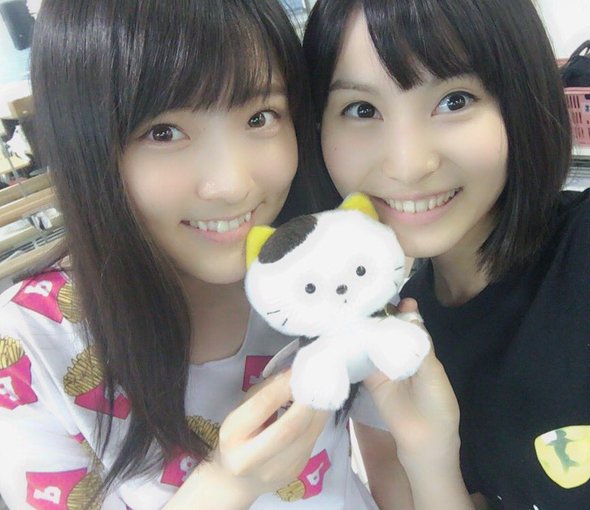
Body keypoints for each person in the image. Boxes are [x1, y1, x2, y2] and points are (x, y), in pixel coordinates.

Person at [0, 1, 383, 508]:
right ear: (84, 146)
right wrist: (226, 486)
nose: (232, 184)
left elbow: (388, 464)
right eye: (164, 132)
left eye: (260, 117)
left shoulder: (325, 263)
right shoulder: (31, 345)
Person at [303, 0, 590, 509]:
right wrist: (429, 460)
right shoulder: (400, 336)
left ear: (519, 101)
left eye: (454, 100)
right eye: (362, 110)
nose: (408, 165)